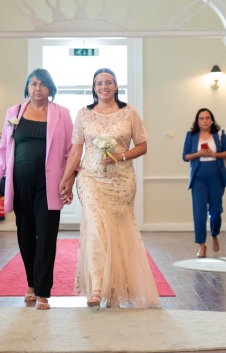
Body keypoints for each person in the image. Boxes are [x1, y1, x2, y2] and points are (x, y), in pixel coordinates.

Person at [58, 68, 160, 309]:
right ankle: (96, 288)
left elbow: (143, 146)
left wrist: (120, 156)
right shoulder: (84, 114)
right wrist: (66, 179)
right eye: (98, 83)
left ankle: (115, 287)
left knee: (116, 232)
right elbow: (76, 150)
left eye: (108, 82)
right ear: (93, 88)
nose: (103, 86)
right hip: (90, 178)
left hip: (122, 180)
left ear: (116, 86)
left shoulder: (129, 112)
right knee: (95, 227)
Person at [0, 69, 74, 311]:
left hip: (50, 184)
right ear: (27, 87)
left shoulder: (62, 114)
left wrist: (70, 178)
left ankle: (43, 292)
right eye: (32, 84)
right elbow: (4, 149)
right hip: (20, 183)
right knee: (25, 236)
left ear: (50, 89)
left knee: (47, 237)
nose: (37, 88)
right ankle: (31, 283)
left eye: (42, 85)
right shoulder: (14, 112)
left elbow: (71, 150)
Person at [182, 108, 226, 258]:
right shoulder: (191, 136)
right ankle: (201, 245)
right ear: (197, 121)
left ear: (211, 120)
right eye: (201, 118)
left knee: (216, 211)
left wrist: (214, 154)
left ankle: (214, 234)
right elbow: (185, 156)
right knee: (199, 211)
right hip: (198, 176)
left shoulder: (219, 135)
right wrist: (199, 154)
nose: (204, 120)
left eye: (207, 118)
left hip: (216, 175)